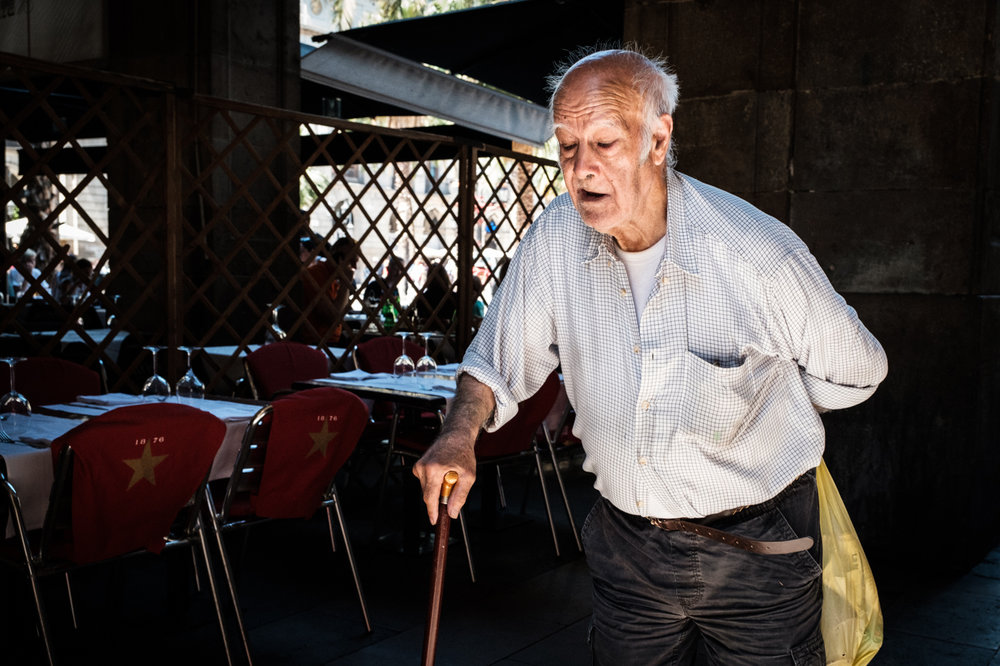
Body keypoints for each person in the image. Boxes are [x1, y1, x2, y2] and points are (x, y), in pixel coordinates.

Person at [413, 48, 888, 664]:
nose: (581, 168)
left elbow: (860, 370)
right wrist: (459, 433)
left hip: (757, 546)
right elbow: (496, 359)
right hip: (625, 545)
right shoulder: (556, 237)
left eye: (605, 143)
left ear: (657, 138)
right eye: (566, 146)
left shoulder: (754, 252)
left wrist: (788, 395)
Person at [300, 235, 357, 344]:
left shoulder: (334, 280)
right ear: (339, 259)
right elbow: (334, 318)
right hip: (317, 342)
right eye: (352, 261)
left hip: (331, 340)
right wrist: (346, 283)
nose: (355, 267)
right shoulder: (316, 275)